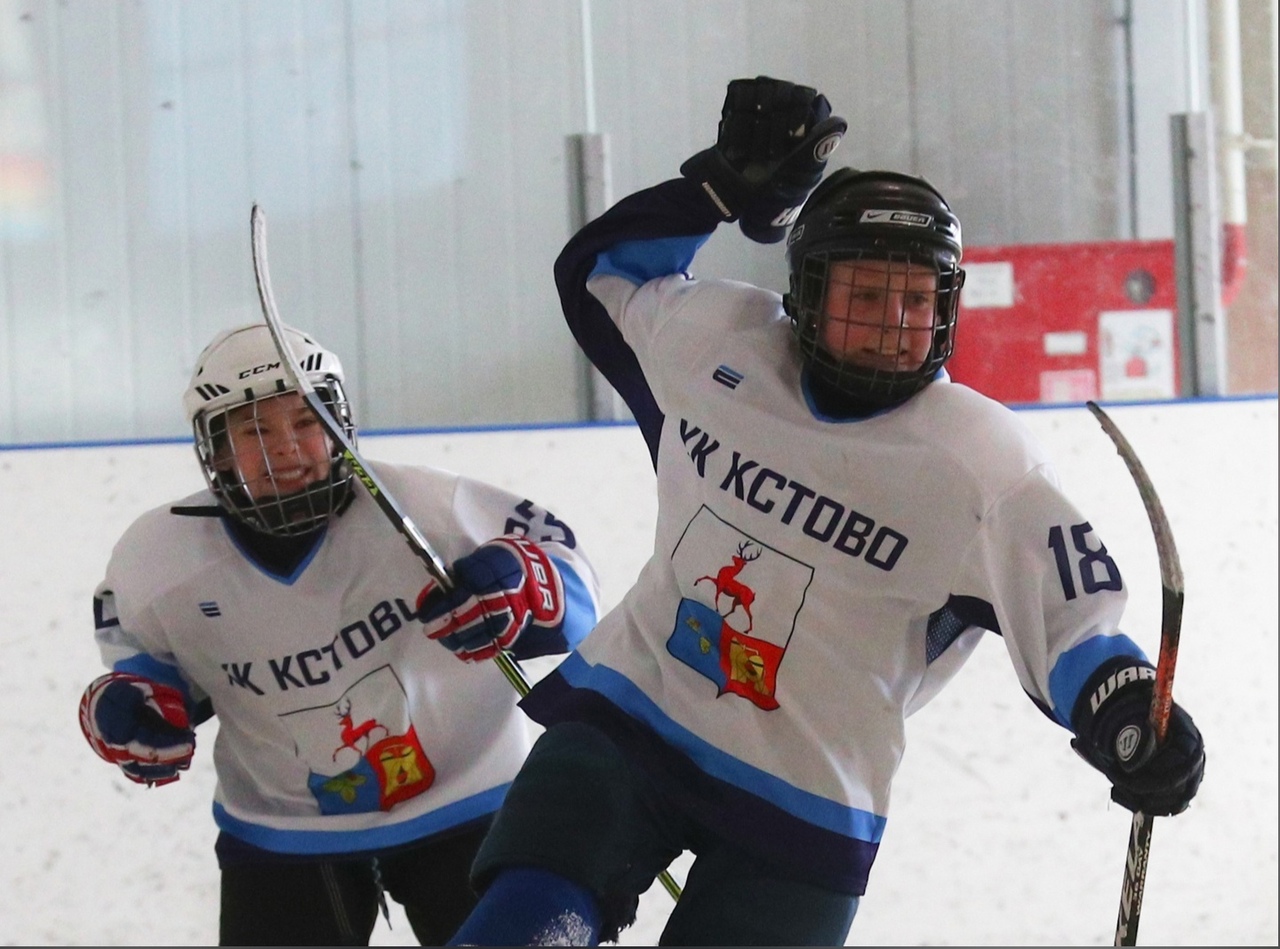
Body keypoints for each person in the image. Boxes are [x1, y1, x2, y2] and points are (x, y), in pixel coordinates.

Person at [443, 76, 1207, 947]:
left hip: (805, 796)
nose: (894, 324)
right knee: (521, 930)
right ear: (804, 290)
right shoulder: (719, 343)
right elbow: (600, 274)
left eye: (918, 300)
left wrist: (1125, 710)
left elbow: (1075, 623)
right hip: (631, 714)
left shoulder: (977, 463)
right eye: (866, 296)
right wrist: (720, 189)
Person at [78, 321, 603, 946]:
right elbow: (152, 673)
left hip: (475, 800)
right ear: (214, 450)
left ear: (338, 419)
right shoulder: (155, 558)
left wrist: (524, 585)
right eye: (255, 431)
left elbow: (576, 592)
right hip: (282, 833)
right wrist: (133, 709)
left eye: (306, 420)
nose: (287, 448)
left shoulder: (429, 507)